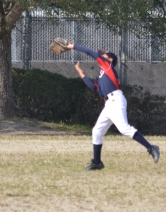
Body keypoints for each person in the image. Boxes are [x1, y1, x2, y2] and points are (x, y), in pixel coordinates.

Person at [67, 41, 160, 170]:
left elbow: (89, 52)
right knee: (97, 131)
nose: (102, 56)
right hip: (109, 104)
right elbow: (93, 87)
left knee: (124, 128)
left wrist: (73, 46)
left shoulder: (108, 66)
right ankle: (97, 162)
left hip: (115, 100)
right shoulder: (103, 74)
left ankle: (151, 147)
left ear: (110, 60)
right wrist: (80, 72)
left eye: (105, 55)